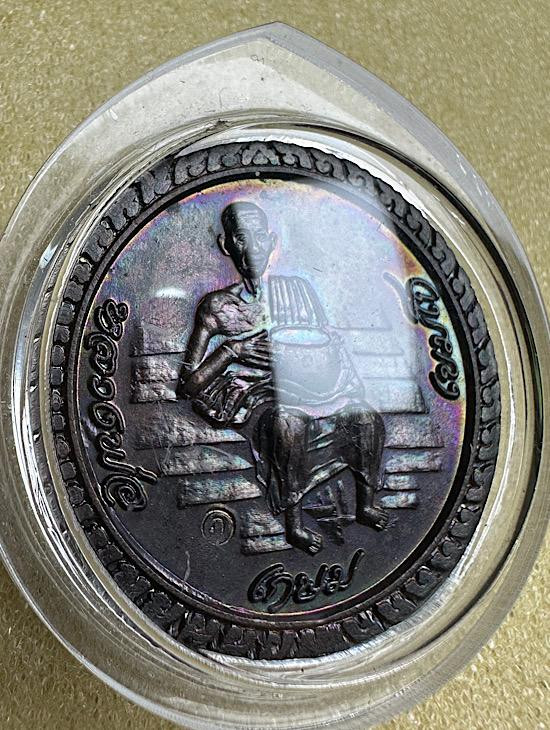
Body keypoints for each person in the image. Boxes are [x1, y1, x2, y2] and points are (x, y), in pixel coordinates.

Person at [178, 201, 387, 555]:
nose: (254, 246)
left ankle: (365, 506)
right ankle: (293, 525)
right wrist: (233, 351)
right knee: (289, 425)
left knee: (364, 418)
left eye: (260, 236)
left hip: (311, 385)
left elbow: (321, 341)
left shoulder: (298, 289)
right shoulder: (217, 307)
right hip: (253, 395)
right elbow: (187, 385)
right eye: (242, 237)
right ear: (226, 245)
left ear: (272, 241)